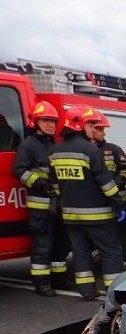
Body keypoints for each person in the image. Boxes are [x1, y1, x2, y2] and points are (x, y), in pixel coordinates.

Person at [49, 104, 125, 301]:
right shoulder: (89, 150)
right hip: (98, 215)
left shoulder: (55, 151)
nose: (94, 129)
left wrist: (62, 202)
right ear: (78, 125)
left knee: (81, 253)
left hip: (71, 216)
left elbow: (56, 184)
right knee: (110, 252)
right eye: (91, 125)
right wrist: (118, 204)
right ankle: (113, 293)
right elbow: (105, 183)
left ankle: (87, 291)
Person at [12, 101, 71, 296]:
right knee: (43, 245)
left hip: (59, 205)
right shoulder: (28, 146)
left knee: (61, 245)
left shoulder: (56, 145)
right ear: (35, 122)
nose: (51, 125)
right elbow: (19, 171)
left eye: (53, 122)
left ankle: (59, 280)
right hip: (40, 205)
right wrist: (41, 184)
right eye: (46, 121)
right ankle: (42, 282)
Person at [90, 110, 126, 267]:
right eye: (100, 129)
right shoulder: (85, 150)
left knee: (123, 235)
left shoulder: (113, 149)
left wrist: (112, 185)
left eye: (103, 129)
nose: (103, 132)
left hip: (118, 202)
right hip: (96, 204)